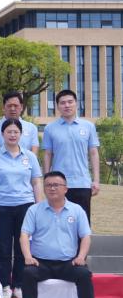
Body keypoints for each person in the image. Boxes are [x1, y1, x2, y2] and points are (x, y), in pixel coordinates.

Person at [17, 171, 101, 298]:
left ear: (65, 189)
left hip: (68, 263)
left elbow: (85, 236)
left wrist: (81, 257)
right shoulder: (34, 210)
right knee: (28, 273)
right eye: (48, 185)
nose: (52, 188)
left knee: (84, 274)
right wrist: (28, 256)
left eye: (56, 185)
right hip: (41, 262)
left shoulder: (77, 210)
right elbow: (24, 235)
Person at [0, 118, 43, 298]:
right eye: (8, 132)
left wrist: (38, 207)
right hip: (1, 206)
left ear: (21, 134)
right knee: (2, 247)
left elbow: (36, 182)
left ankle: (18, 284)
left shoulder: (29, 156)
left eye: (16, 132)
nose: (12, 135)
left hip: (25, 205)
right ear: (2, 134)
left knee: (21, 246)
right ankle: (4, 285)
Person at [42, 89, 100, 221]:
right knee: (58, 221)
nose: (67, 105)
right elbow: (47, 154)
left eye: (70, 102)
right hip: (58, 184)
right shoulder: (50, 128)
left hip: (82, 182)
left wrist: (96, 180)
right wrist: (47, 180)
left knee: (82, 222)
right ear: (57, 106)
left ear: (76, 104)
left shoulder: (88, 126)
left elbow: (93, 153)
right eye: (63, 103)